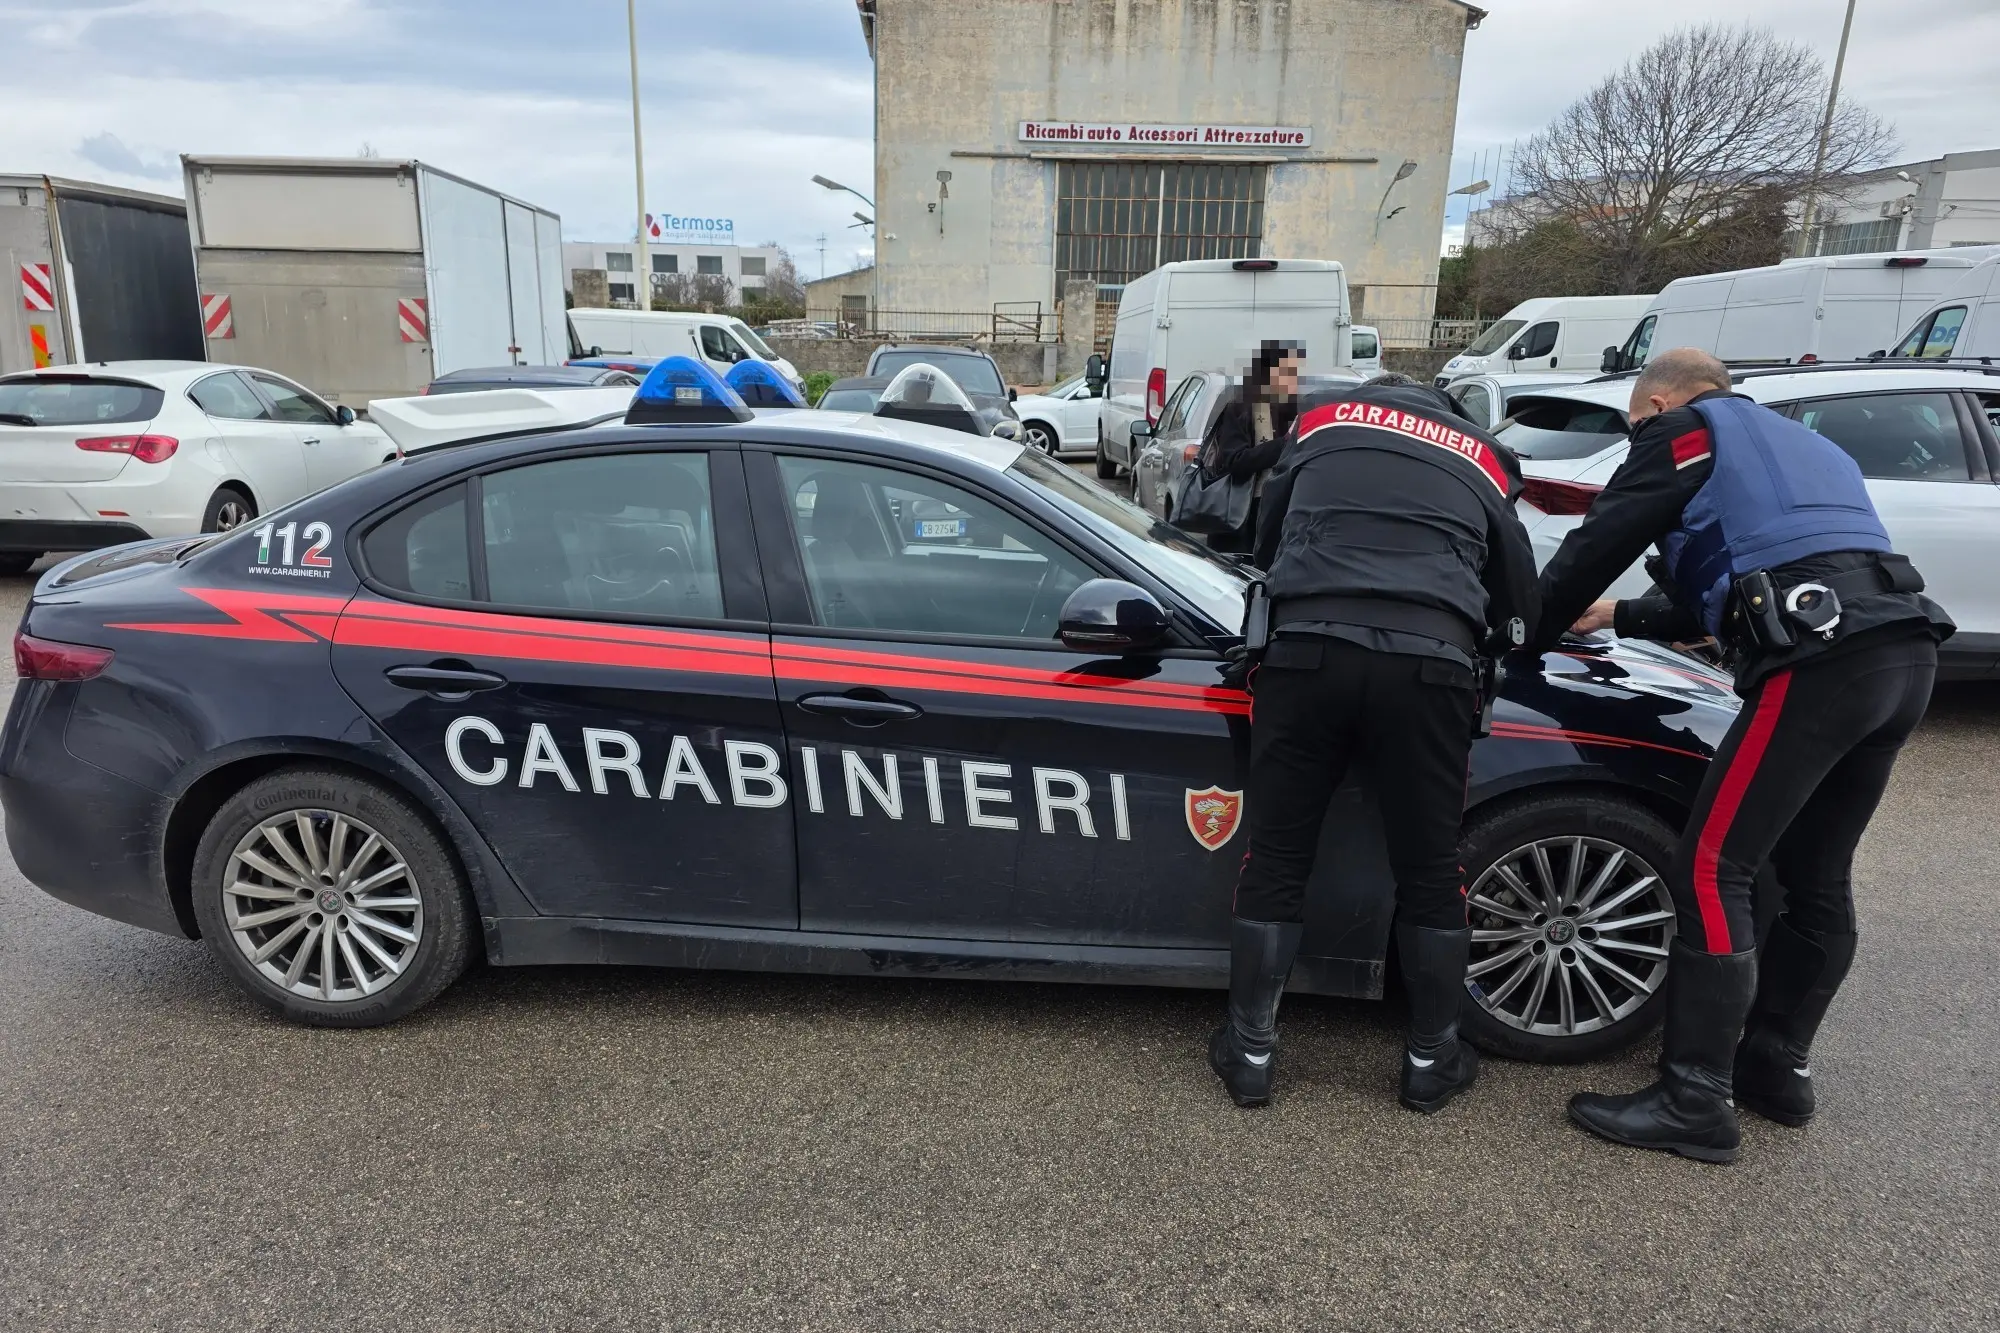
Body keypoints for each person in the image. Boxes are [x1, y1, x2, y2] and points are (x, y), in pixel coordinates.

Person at [1531, 347, 1952, 1164]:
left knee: (1710, 867)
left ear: (1653, 403)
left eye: (1632, 424)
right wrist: (1615, 619)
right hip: (1902, 654)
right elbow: (1728, 582)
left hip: (1818, 663)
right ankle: (1775, 1068)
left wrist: (1527, 629)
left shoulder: (1683, 430)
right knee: (1814, 874)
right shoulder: (1803, 443)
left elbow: (1598, 541)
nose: (1637, 435)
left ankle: (1694, 1096)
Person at [1209, 373, 1540, 1113]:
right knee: (1429, 869)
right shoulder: (1484, 455)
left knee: (1278, 853)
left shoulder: (1322, 422)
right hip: (1432, 667)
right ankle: (1429, 1062)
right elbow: (1519, 596)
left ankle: (1251, 1054)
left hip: (1306, 655)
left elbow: (1268, 541)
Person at [1199, 341, 1304, 553]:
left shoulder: (1294, 411)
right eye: (1287, 372)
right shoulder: (1242, 408)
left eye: (1295, 372)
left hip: (1277, 516)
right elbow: (1234, 460)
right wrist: (1284, 444)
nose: (1294, 380)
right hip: (1241, 520)